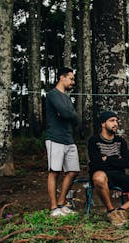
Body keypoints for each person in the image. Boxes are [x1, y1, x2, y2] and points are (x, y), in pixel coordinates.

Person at [45, 67, 80, 217]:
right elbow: (67, 113)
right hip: (55, 138)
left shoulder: (66, 97)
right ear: (61, 77)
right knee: (54, 171)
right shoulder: (52, 95)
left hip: (69, 138)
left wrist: (68, 114)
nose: (73, 82)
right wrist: (68, 114)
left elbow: (75, 118)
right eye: (71, 78)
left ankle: (61, 203)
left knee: (73, 171)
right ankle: (54, 208)